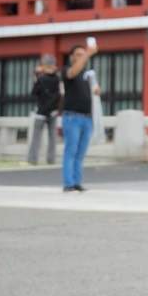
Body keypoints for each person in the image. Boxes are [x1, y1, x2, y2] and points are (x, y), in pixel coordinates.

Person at [61, 45, 94, 192]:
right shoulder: (67, 70)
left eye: (83, 55)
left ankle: (77, 182)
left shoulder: (86, 74)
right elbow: (72, 73)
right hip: (72, 117)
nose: (82, 57)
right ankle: (68, 183)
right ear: (72, 57)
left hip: (87, 118)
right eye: (78, 55)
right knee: (71, 151)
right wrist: (88, 53)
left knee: (80, 153)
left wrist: (96, 90)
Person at [28, 54, 61, 165]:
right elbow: (59, 95)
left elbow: (34, 93)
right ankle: (51, 160)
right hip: (53, 111)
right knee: (52, 138)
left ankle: (33, 159)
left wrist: (36, 76)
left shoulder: (41, 79)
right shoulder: (57, 78)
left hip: (41, 111)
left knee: (36, 137)